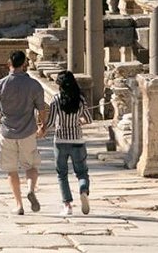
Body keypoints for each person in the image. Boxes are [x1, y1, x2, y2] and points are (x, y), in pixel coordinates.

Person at [0, 50, 46, 215]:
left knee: (11, 170)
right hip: (28, 131)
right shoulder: (34, 85)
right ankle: (31, 189)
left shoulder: (0, 85)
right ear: (25, 65)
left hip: (7, 132)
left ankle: (19, 205)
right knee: (31, 166)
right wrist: (43, 125)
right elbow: (41, 109)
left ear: (9, 64)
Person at [43, 70, 92, 216]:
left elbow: (51, 122)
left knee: (62, 174)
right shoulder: (80, 99)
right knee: (82, 172)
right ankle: (83, 190)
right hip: (77, 139)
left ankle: (67, 205)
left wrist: (41, 127)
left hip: (60, 141)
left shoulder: (56, 100)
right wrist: (79, 121)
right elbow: (89, 119)